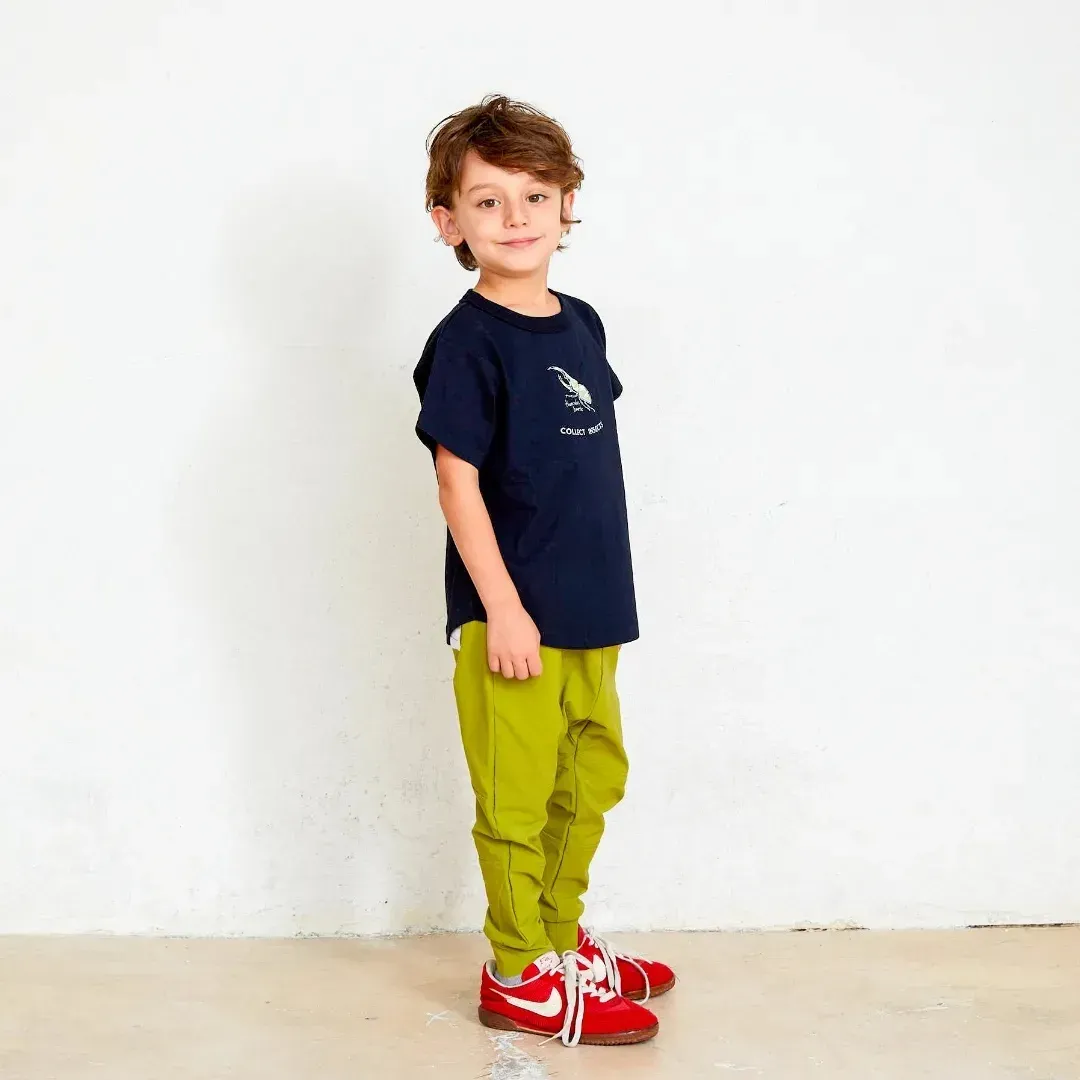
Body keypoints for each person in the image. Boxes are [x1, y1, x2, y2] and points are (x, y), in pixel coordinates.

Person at [412, 95, 675, 1048]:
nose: (515, 217)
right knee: (517, 800)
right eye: (488, 201)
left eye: (535, 195)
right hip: (512, 620)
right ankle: (519, 970)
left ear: (568, 204)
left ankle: (561, 937)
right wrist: (504, 609)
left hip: (593, 606)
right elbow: (457, 483)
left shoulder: (582, 324)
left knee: (587, 779)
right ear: (450, 221)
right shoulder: (466, 343)